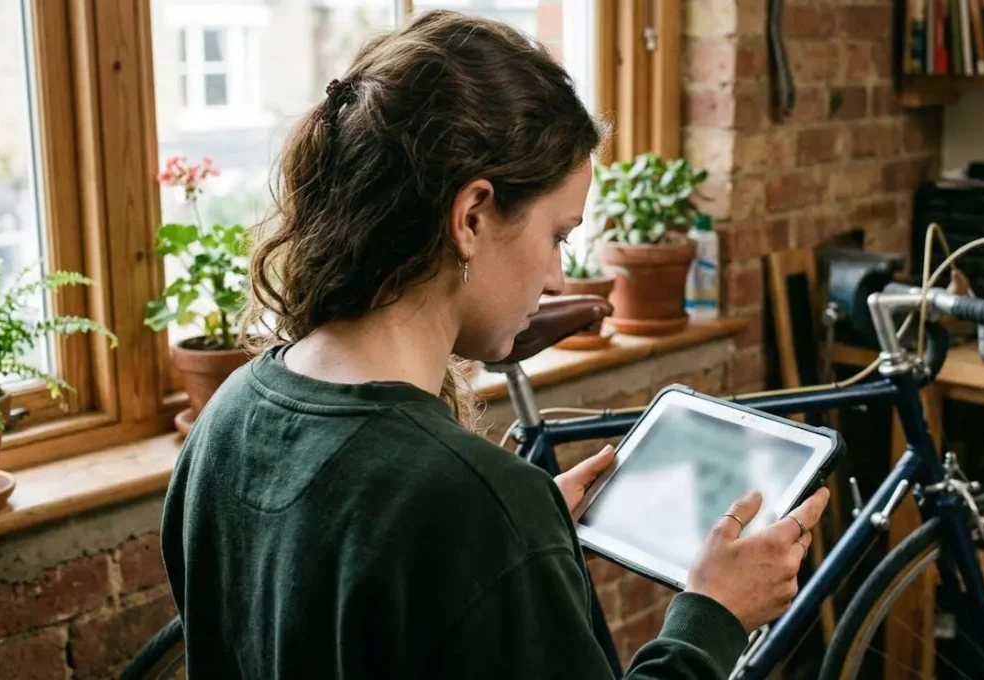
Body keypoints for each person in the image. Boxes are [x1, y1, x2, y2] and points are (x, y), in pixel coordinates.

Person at [159, 9, 831, 679]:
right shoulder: (470, 507)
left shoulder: (227, 420)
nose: (558, 275)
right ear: (471, 217)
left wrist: (527, 537)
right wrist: (710, 615)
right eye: (558, 236)